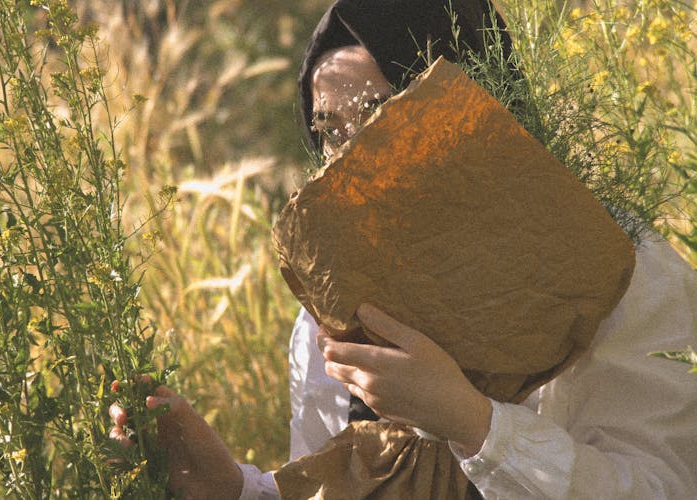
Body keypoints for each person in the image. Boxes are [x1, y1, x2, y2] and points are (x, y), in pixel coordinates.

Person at [110, 1, 697, 498]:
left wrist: (471, 423)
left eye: (382, 115)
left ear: (475, 108)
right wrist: (232, 487)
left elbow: (663, 484)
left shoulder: (615, 267)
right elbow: (345, 478)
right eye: (330, 134)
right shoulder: (340, 302)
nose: (352, 161)